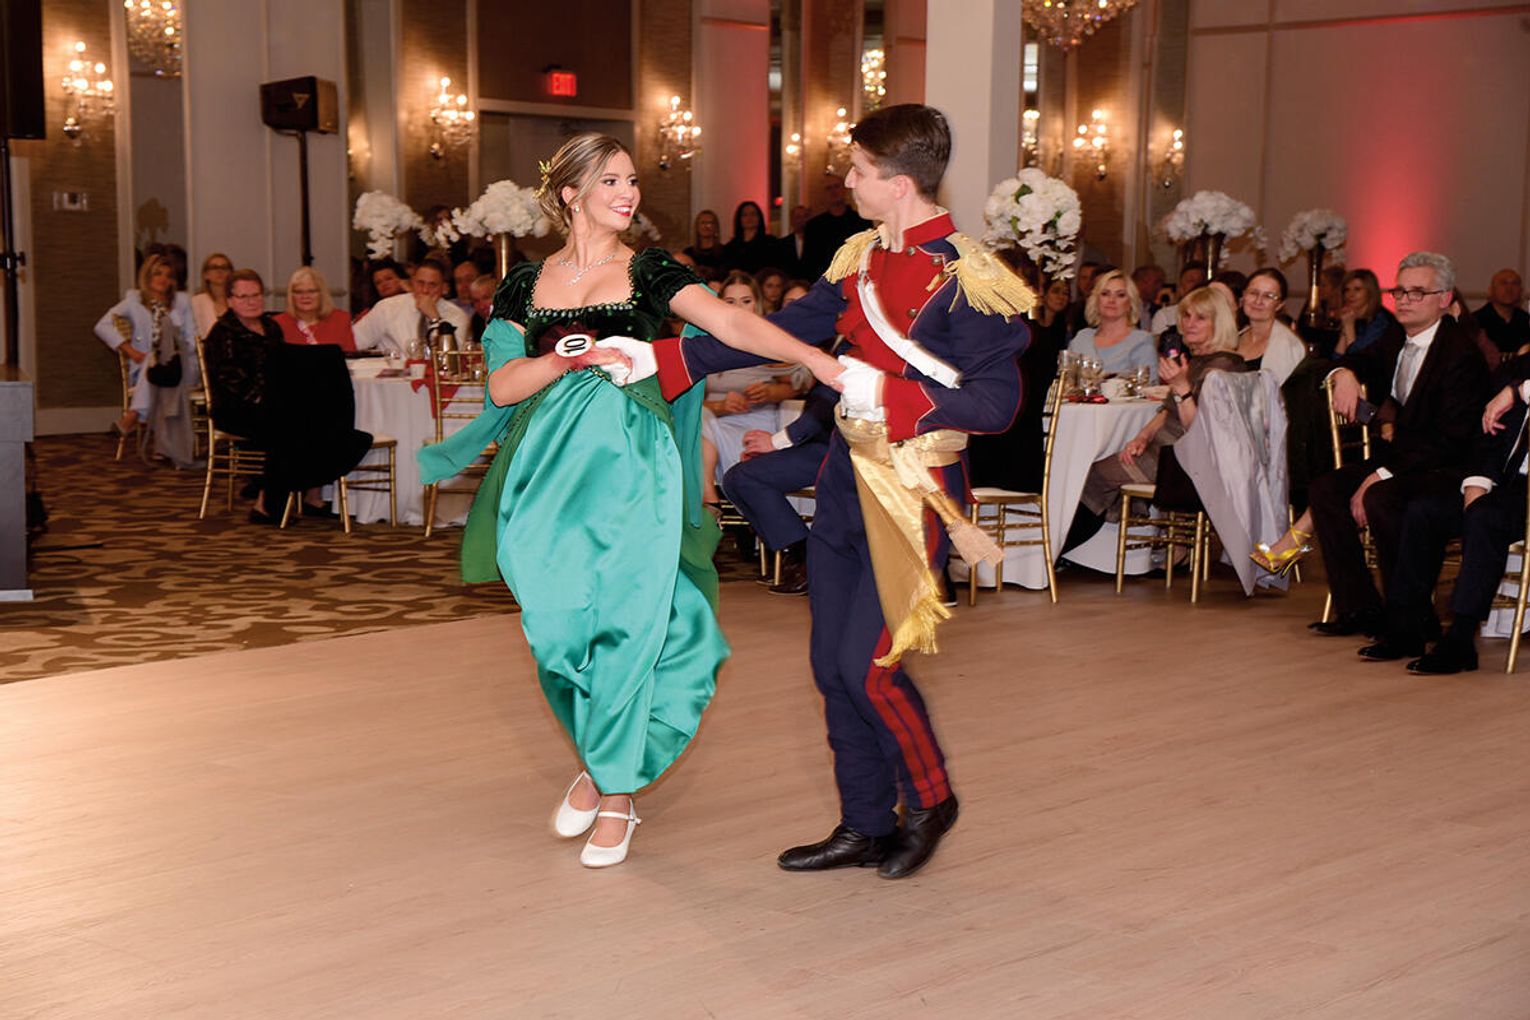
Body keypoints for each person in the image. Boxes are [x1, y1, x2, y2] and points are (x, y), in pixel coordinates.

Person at [417, 133, 841, 870]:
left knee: (627, 623)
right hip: (545, 474)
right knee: (556, 631)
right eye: (611, 180)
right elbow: (502, 387)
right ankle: (601, 760)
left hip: (633, 467)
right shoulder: (523, 284)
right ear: (571, 194)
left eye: (633, 180)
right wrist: (565, 357)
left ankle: (615, 792)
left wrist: (810, 357)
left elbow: (729, 323)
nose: (629, 192)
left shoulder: (650, 272)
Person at [648, 104, 1032, 879]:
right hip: (844, 484)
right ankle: (864, 823)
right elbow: (781, 330)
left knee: (870, 669)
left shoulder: (971, 278)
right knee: (831, 667)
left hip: (915, 494)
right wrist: (660, 361)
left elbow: (997, 404)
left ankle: (930, 800)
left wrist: (884, 392)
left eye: (857, 171)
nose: (846, 182)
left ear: (898, 184)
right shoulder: (856, 258)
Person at [1305, 252, 1490, 639]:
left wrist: (1381, 474)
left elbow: (1451, 441)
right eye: (1400, 291)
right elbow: (1350, 360)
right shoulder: (1395, 338)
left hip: (1449, 468)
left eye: (1417, 292)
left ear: (1444, 298)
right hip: (1406, 459)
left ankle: (1410, 617)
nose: (1404, 300)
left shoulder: (1460, 353)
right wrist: (1344, 373)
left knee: (1383, 497)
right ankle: (1360, 608)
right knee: (1326, 489)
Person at [1064, 286, 1249, 555]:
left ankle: (1057, 551)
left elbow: (1199, 431)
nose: (1189, 323)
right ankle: (1070, 551)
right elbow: (1166, 410)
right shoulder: (1201, 360)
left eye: (1200, 318)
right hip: (1167, 449)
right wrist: (1143, 436)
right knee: (1097, 474)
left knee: (1096, 477)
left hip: (1187, 460)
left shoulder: (1222, 368)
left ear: (1218, 323)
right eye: (1186, 315)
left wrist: (1182, 388)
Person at [203, 270, 373, 523]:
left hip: (271, 404)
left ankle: (301, 495)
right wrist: (277, 400)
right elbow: (233, 384)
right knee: (292, 425)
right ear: (230, 300)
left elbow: (284, 370)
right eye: (243, 296)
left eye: (256, 295)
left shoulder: (271, 327)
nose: (252, 301)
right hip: (236, 408)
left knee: (322, 421)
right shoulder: (224, 333)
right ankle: (267, 504)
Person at [1404, 367, 1530, 674]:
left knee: (1486, 517)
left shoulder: (1518, 387)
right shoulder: (1518, 372)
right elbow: (1488, 441)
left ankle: (1460, 638)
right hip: (1508, 485)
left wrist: (1517, 392)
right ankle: (1406, 626)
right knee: (1424, 511)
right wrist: (1478, 484)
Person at [698, 271, 808, 505]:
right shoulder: (706, 345)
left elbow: (800, 383)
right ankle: (709, 498)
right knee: (699, 418)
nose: (738, 308)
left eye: (746, 301)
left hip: (758, 420)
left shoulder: (769, 342)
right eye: (730, 302)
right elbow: (689, 401)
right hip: (714, 423)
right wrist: (720, 406)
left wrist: (771, 393)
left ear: (757, 304)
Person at [94, 253, 198, 468]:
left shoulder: (182, 301)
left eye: (168, 275)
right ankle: (163, 447)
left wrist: (174, 352)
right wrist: (130, 350)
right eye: (157, 273)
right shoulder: (134, 301)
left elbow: (192, 339)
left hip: (182, 366)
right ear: (147, 275)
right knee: (154, 365)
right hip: (147, 367)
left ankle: (133, 415)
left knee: (158, 365)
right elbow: (102, 326)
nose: (163, 279)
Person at [352, 259, 470, 359]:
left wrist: (434, 318)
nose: (425, 290)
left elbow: (449, 358)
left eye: (432, 285)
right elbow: (353, 342)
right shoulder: (387, 308)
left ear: (444, 288)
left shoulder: (456, 315)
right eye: (420, 283)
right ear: (412, 282)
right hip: (394, 377)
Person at [1067, 269, 1157, 380]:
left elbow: (1149, 387)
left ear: (1130, 303)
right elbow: (1067, 382)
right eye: (1105, 294)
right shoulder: (1081, 338)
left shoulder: (1141, 341)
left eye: (1120, 295)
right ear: (1096, 300)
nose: (1112, 300)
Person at [1236, 267, 1305, 384]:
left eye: (1268, 296)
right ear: (1243, 296)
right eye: (1253, 293)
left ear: (1279, 304)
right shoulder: (1235, 336)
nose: (1258, 301)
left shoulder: (1286, 344)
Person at [800, 175, 872, 279]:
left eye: (836, 186)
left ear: (844, 190)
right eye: (828, 188)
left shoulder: (862, 221)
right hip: (823, 281)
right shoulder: (814, 226)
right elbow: (808, 262)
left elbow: (868, 255)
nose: (833, 191)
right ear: (823, 194)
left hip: (855, 278)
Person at [275, 266, 356, 351]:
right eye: (299, 292)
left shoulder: (341, 320)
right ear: (291, 296)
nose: (305, 297)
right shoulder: (277, 324)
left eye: (311, 291)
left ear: (322, 294)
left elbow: (350, 356)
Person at [1474, 269, 1528, 355]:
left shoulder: (1526, 321)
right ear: (1491, 290)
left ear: (1520, 291)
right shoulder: (1475, 322)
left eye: (1515, 284)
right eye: (1503, 283)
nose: (1509, 289)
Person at [1150, 261, 1208, 335]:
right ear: (1180, 287)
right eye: (1191, 281)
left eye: (1200, 281)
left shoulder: (1210, 314)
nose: (1196, 285)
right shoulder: (1165, 315)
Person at [721, 200, 777, 274]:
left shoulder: (770, 243)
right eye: (745, 215)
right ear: (739, 219)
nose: (749, 218)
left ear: (759, 218)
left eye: (753, 214)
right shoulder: (731, 247)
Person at [190, 252, 233, 339]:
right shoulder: (196, 302)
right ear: (206, 275)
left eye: (224, 267)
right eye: (214, 267)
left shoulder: (238, 300)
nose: (219, 271)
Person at [683, 209, 726, 275]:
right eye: (703, 223)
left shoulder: (725, 252)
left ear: (716, 227)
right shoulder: (688, 253)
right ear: (697, 227)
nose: (706, 226)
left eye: (710, 223)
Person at [775, 203, 811, 277]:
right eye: (798, 217)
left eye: (805, 216)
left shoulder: (817, 243)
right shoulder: (782, 244)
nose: (802, 220)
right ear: (792, 221)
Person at [1131, 264, 1166, 331]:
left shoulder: (1157, 311)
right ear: (1142, 282)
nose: (1159, 287)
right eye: (1156, 282)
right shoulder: (1126, 309)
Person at [467, 273, 497, 343]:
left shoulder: (510, 319)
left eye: (486, 298)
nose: (482, 306)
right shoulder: (477, 320)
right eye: (476, 301)